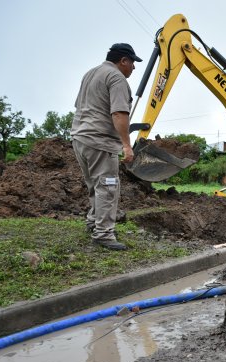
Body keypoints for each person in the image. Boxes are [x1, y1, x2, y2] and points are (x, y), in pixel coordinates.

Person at [71, 43, 142, 250]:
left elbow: (79, 106)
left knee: (95, 184)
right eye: (132, 63)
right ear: (123, 61)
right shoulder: (116, 78)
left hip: (80, 139)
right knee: (108, 187)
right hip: (100, 141)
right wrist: (127, 146)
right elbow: (119, 113)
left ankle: (93, 222)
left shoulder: (91, 74)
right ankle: (103, 234)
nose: (134, 68)